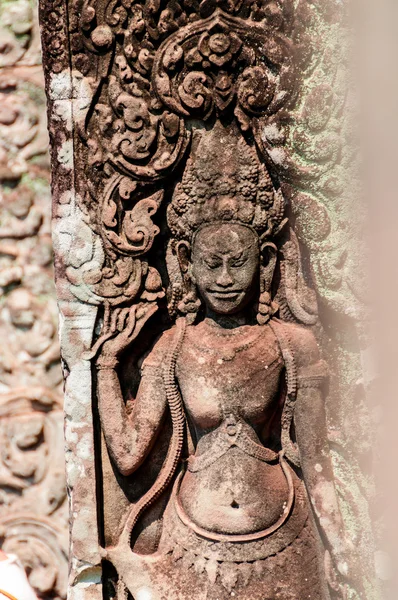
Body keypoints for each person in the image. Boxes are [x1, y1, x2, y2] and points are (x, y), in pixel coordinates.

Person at [96, 123, 353, 599]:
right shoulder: (171, 348)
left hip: (284, 534)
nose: (225, 279)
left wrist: (338, 546)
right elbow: (130, 455)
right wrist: (107, 367)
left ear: (268, 260)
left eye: (240, 262)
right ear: (184, 260)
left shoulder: (292, 345)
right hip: (189, 541)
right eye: (210, 264)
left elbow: (316, 460)